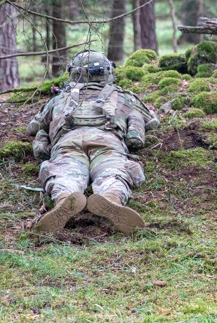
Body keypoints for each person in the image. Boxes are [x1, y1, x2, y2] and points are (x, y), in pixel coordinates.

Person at [26, 51, 159, 234]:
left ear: (74, 72)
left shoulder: (60, 99)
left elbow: (33, 127)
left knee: (65, 174)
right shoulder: (123, 97)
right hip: (108, 142)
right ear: (108, 71)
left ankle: (64, 198)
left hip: (68, 142)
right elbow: (152, 122)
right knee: (114, 172)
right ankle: (112, 198)